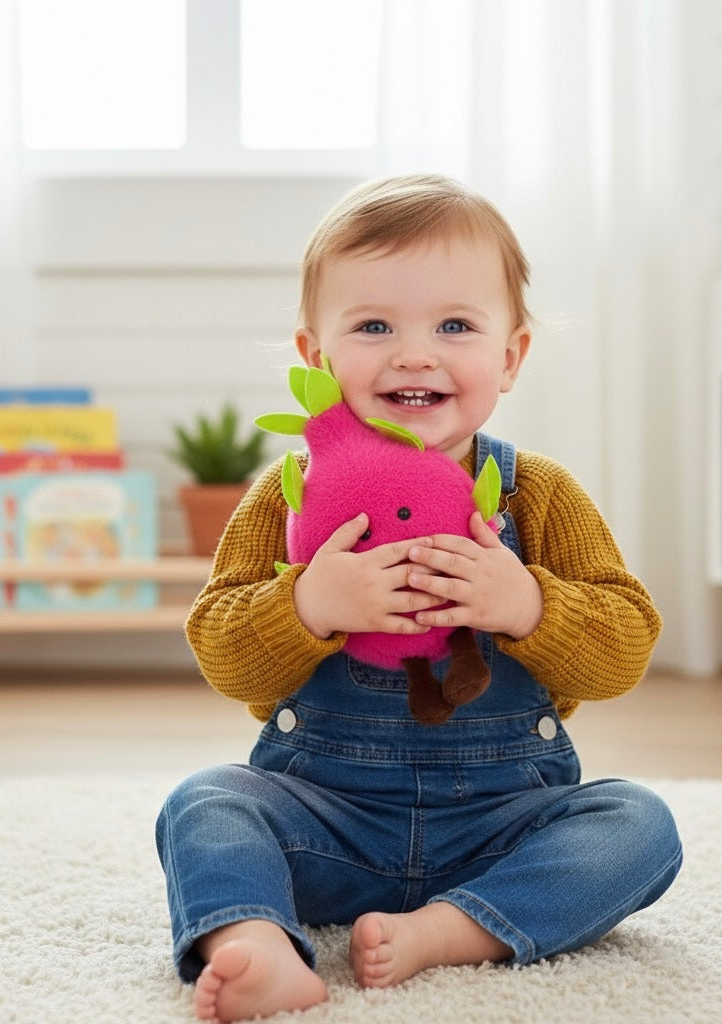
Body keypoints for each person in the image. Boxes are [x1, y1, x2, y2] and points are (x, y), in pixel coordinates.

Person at [156, 173, 682, 1023]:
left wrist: (528, 605)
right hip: (326, 825)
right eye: (372, 326)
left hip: (501, 827)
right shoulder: (288, 497)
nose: (414, 353)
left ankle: (453, 929)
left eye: (454, 326)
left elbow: (627, 645)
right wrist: (309, 607)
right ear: (315, 357)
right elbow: (218, 645)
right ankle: (253, 939)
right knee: (206, 803)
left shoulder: (535, 495)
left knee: (639, 826)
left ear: (509, 357)